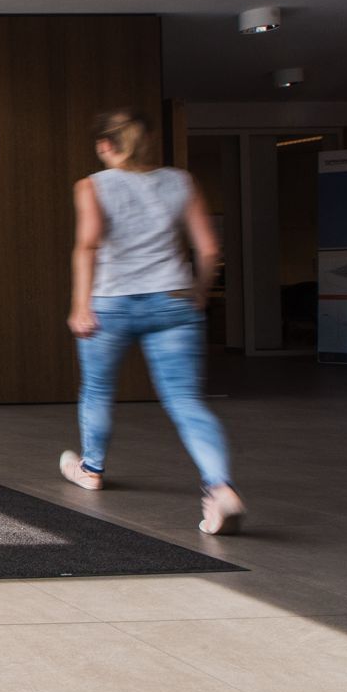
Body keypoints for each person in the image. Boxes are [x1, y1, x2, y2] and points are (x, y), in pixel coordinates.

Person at [60, 108, 246, 534]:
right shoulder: (181, 181)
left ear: (104, 145)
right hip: (173, 302)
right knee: (185, 400)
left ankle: (91, 469)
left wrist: (80, 305)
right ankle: (219, 487)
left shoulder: (92, 186)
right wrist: (199, 291)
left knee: (98, 389)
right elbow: (209, 249)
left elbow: (87, 246)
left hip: (111, 302)